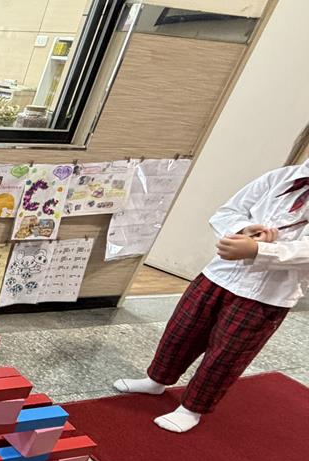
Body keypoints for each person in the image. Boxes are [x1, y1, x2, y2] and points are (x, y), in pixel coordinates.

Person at [113, 154, 309, 433]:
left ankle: (192, 408)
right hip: (218, 274)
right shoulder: (280, 177)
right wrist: (242, 230)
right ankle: (156, 380)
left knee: (227, 353)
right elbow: (228, 211)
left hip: (267, 294)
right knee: (181, 331)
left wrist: (260, 251)